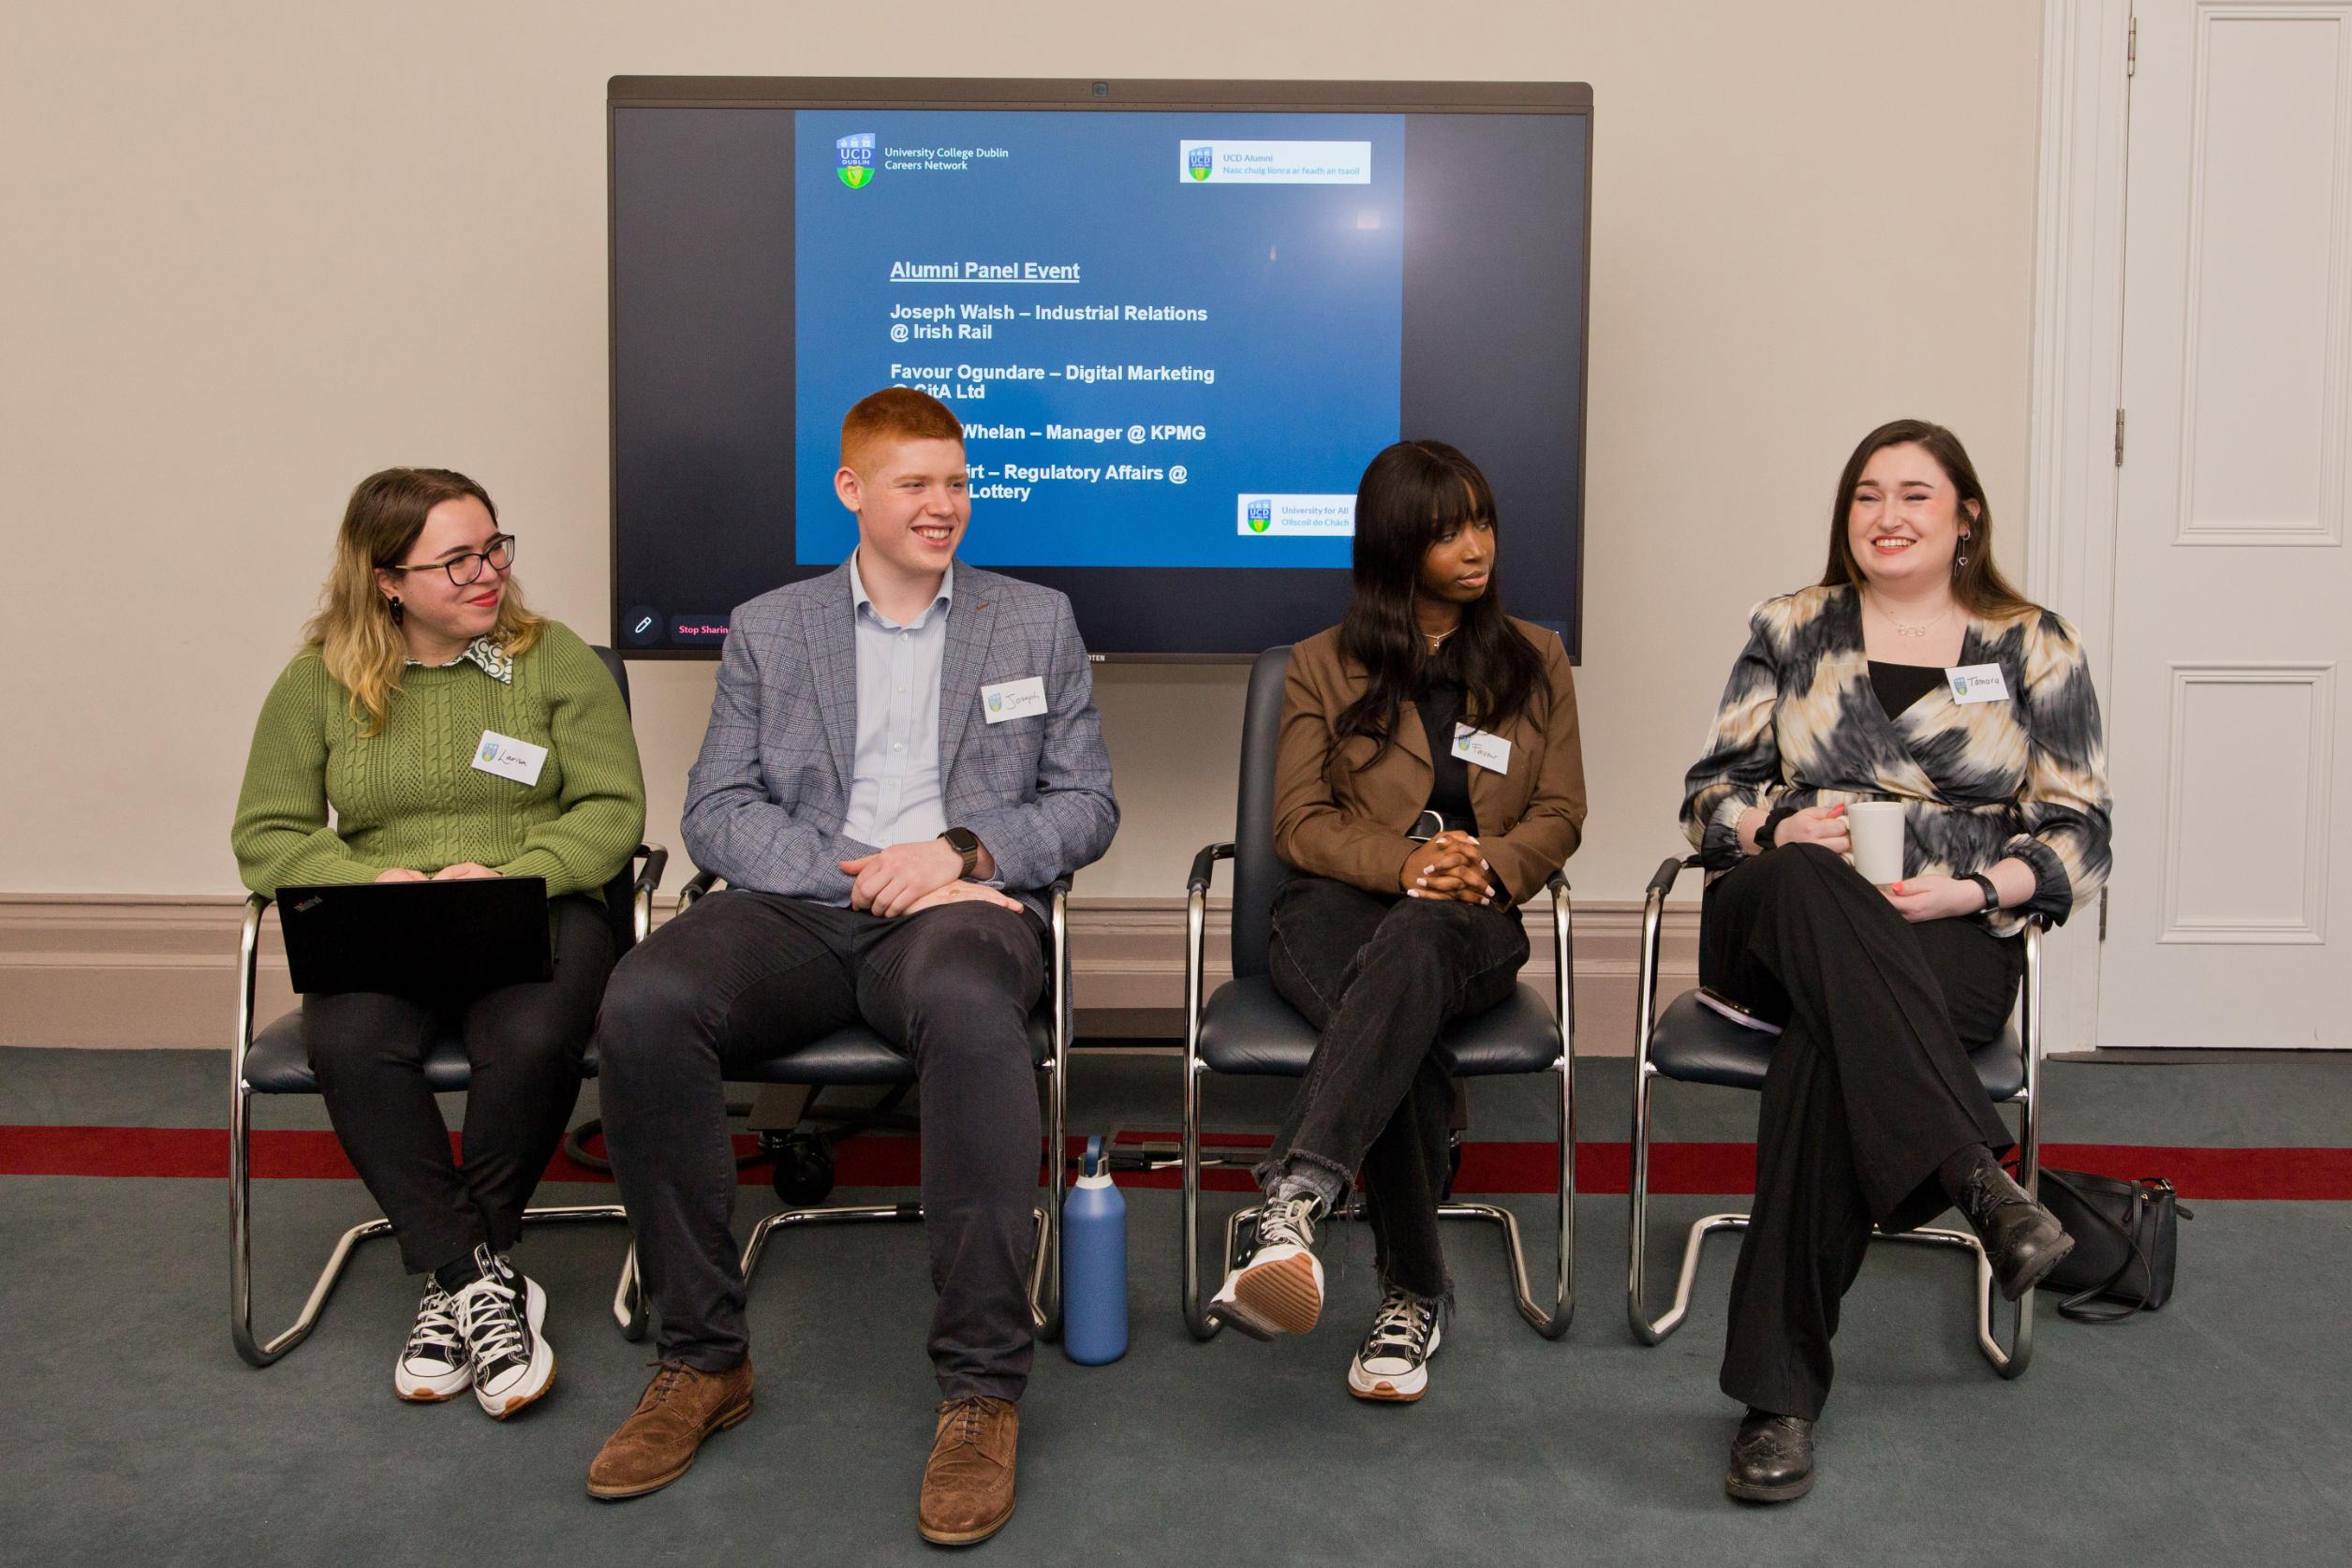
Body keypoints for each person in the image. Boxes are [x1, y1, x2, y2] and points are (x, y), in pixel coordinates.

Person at [584, 387, 1117, 1546]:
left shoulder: (1035, 621)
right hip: (803, 902)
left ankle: (981, 1389)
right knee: (646, 998)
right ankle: (702, 1360)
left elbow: (1086, 805)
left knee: (972, 1011)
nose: (943, 505)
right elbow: (717, 809)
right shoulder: (772, 628)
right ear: (852, 490)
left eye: (957, 483)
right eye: (916, 483)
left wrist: (956, 854)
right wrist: (862, 873)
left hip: (958, 912)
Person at [1679, 418, 2112, 1502]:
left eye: (1916, 494)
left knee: (1826, 1058)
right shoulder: (1789, 627)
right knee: (1807, 882)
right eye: (1868, 495)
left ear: (1967, 518)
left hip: (1948, 930)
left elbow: (2080, 831)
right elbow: (1707, 796)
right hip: (1782, 914)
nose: (1888, 516)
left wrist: (1977, 891)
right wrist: (1772, 827)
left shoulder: (2033, 645)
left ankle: (1777, 1403)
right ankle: (1978, 1177)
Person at [230, 467, 648, 1416]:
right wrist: (365, 881)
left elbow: (612, 809)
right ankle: (475, 1278)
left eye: (494, 547)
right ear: (387, 580)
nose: (487, 572)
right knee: (349, 1044)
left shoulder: (552, 660)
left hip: (536, 905)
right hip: (386, 914)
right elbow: (267, 833)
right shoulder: (318, 681)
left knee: (531, 1039)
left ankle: (458, 1276)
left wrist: (516, 873)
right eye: (456, 560)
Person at [1206, 439, 1586, 1403]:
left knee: (1412, 953)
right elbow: (1298, 823)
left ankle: (1296, 1199)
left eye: (1483, 523)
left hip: (1470, 917)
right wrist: (1406, 862)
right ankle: (1411, 1296)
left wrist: (1484, 864)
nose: (1477, 547)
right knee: (1399, 1019)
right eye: (1447, 531)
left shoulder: (1536, 659)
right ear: (1392, 544)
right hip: (1333, 909)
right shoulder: (1320, 665)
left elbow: (1560, 811)